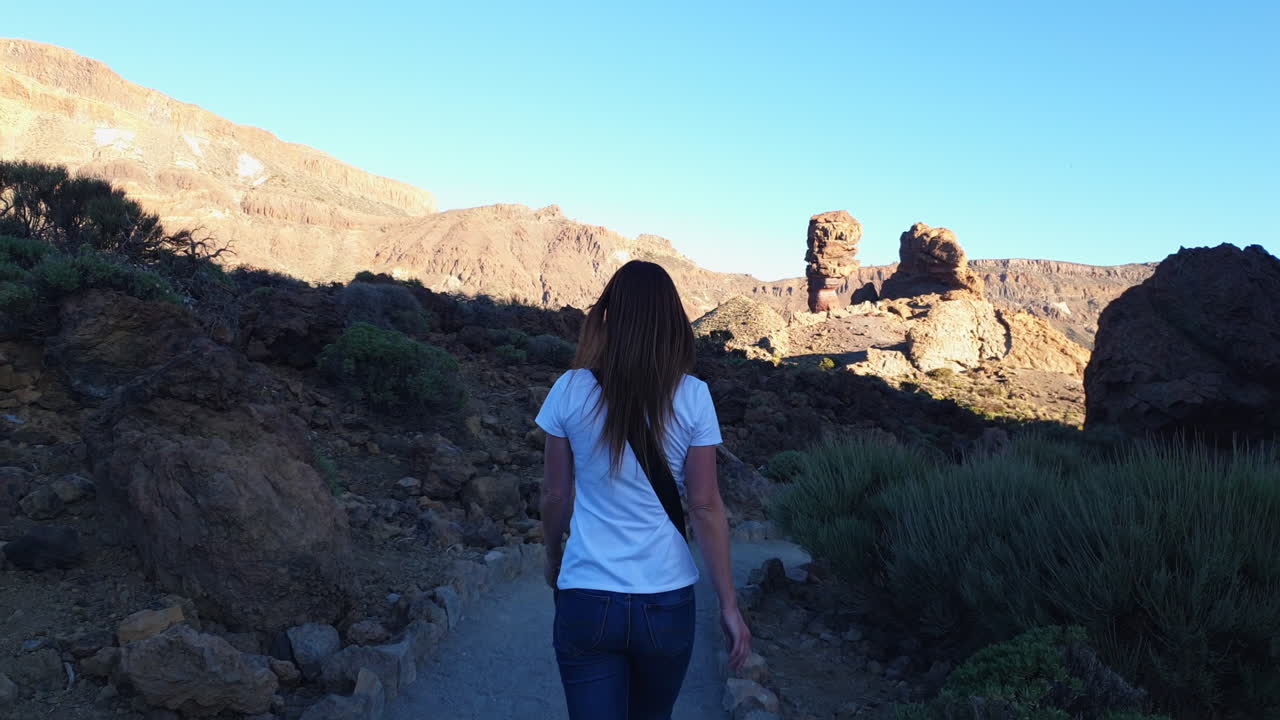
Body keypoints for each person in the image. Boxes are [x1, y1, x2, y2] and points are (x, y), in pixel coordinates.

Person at [536, 260, 752, 720]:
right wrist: (729, 605)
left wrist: (555, 559)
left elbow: (555, 495)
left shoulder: (569, 389)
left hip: (586, 596)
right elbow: (705, 505)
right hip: (666, 600)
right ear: (671, 321)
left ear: (609, 316)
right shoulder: (693, 395)